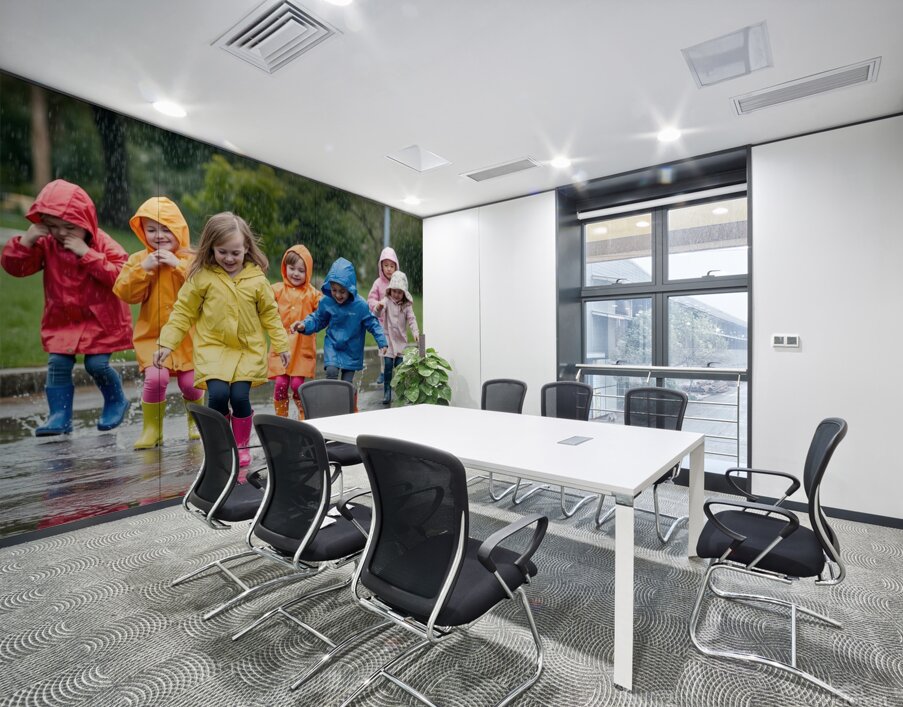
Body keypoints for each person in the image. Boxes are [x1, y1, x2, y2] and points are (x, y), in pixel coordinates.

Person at [153, 212, 289, 469]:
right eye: (222, 251)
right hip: (213, 349)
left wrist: (281, 345)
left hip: (247, 350)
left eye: (235, 253)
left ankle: (241, 445)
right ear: (211, 248)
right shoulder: (202, 278)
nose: (229, 258)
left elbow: (270, 314)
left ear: (246, 248)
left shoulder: (257, 279)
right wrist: (166, 343)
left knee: (238, 396)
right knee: (216, 395)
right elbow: (183, 311)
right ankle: (218, 445)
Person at [1, 179, 133, 436]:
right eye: (53, 226)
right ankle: (59, 415)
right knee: (58, 364)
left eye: (70, 227)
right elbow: (15, 268)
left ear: (86, 222)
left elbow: (122, 276)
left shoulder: (101, 243)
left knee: (97, 365)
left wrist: (87, 254)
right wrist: (26, 242)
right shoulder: (46, 244)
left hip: (100, 320)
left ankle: (116, 400)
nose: (61, 233)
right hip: (63, 319)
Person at [113, 197, 204, 449]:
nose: (159, 236)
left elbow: (204, 287)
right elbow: (124, 292)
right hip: (152, 337)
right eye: (151, 229)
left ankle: (196, 422)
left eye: (166, 229)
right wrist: (144, 269)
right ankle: (153, 429)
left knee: (191, 383)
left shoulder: (191, 259)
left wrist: (178, 266)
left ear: (179, 231)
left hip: (188, 337)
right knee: (156, 379)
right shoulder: (138, 260)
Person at [293, 257, 387, 385]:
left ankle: (347, 403)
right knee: (331, 372)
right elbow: (318, 319)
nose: (337, 295)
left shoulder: (360, 305)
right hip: (333, 345)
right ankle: (332, 402)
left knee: (346, 383)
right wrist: (304, 325)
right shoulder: (327, 302)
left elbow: (373, 324)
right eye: (334, 290)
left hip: (352, 349)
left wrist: (382, 341)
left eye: (342, 291)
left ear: (350, 288)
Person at [267, 244, 321, 419]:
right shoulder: (277, 289)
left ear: (308, 273)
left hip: (302, 347)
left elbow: (325, 308)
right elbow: (261, 297)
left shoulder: (312, 294)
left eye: (301, 270)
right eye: (292, 268)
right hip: (281, 346)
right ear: (285, 268)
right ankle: (281, 417)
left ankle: (303, 414)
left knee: (298, 385)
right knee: (281, 384)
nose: (296, 274)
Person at [378, 270, 419, 405]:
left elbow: (412, 320)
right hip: (389, 340)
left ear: (404, 294)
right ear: (390, 291)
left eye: (399, 292)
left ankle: (401, 391)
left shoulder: (406, 306)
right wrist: (379, 307)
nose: (396, 294)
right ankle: (387, 391)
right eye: (394, 291)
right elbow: (377, 313)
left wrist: (415, 332)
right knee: (388, 365)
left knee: (401, 367)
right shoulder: (387, 301)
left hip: (401, 342)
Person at [366, 246, 399, 384]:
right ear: (381, 266)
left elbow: (404, 297)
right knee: (384, 348)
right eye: (386, 265)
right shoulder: (378, 284)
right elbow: (370, 299)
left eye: (392, 266)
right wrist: (377, 304)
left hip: (396, 323)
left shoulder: (398, 282)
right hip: (382, 322)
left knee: (397, 349)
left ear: (396, 267)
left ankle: (396, 372)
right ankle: (382, 371)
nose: (389, 269)